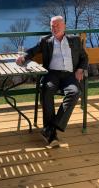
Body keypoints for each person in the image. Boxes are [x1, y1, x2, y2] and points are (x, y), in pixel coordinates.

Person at [16, 16, 88, 147]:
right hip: (52, 74)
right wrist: (23, 57)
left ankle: (50, 128)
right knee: (46, 90)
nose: (54, 28)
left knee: (75, 92)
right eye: (52, 26)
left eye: (57, 26)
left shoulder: (75, 40)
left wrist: (80, 69)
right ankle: (51, 134)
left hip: (70, 75)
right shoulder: (45, 41)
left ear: (64, 26)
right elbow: (32, 51)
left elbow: (84, 57)